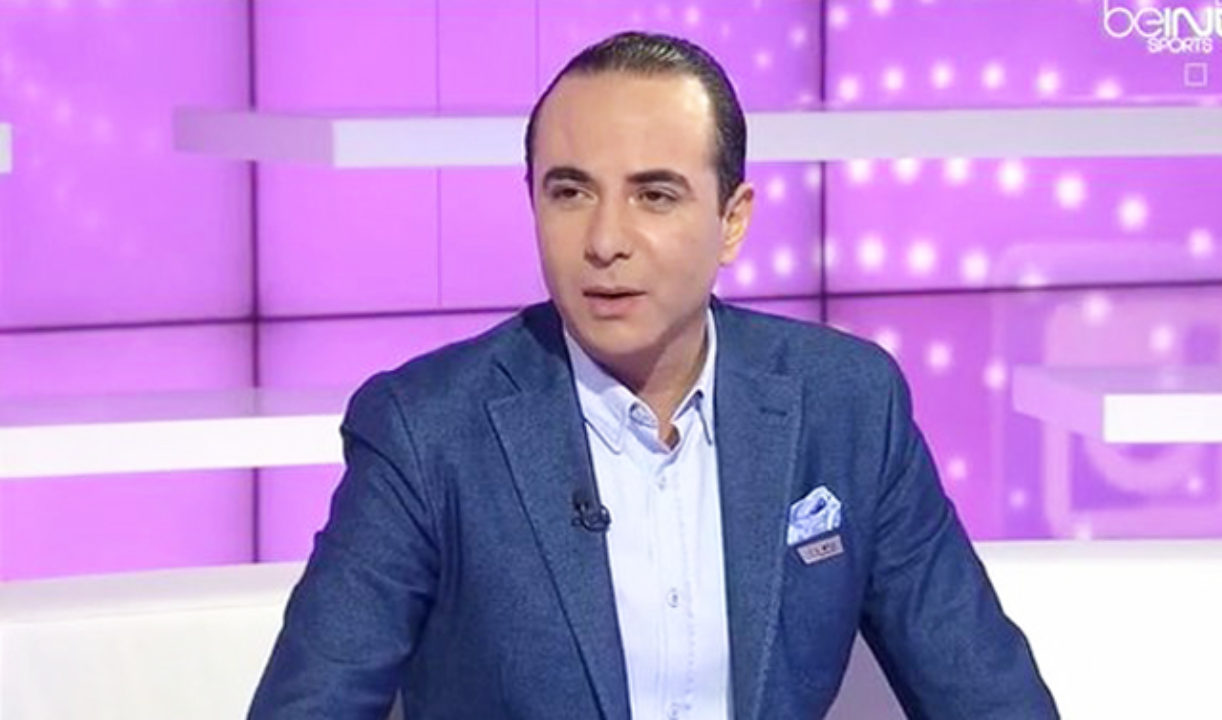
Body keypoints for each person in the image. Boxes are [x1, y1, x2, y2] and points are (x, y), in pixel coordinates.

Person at [249, 31, 1058, 720]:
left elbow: (988, 695)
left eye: (655, 196)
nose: (605, 240)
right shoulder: (426, 430)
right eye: (571, 192)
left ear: (732, 220)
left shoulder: (846, 403)